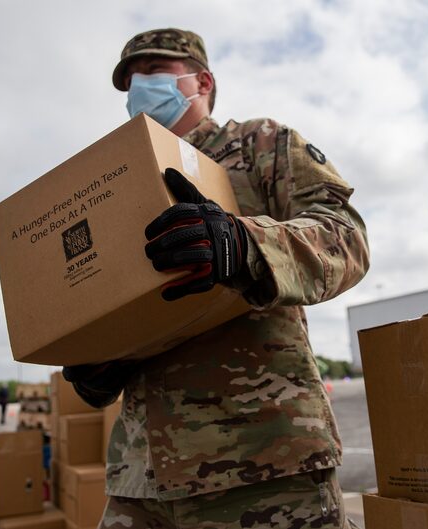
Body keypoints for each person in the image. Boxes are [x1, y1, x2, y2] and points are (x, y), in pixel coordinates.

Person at [63, 28, 369, 529]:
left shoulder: (258, 144)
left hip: (261, 459)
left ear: (200, 81)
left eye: (154, 72)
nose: (139, 87)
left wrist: (245, 244)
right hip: (139, 477)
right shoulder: (114, 179)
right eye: (131, 81)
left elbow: (348, 238)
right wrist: (97, 355)